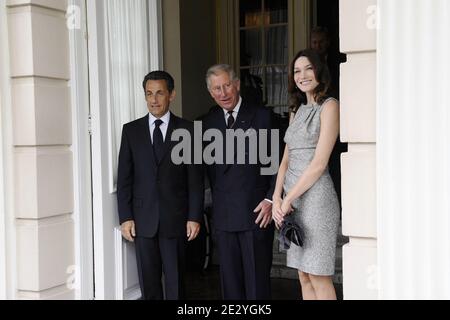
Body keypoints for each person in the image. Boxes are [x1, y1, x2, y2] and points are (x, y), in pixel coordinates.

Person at [117, 71, 204, 300]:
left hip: (175, 220)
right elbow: (125, 179)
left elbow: (195, 179)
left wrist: (194, 217)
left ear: (171, 95)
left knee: (176, 283)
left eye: (159, 93)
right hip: (143, 222)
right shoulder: (131, 131)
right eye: (149, 94)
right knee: (149, 283)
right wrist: (125, 217)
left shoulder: (189, 130)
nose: (153, 100)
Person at [201, 64, 276, 300]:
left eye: (226, 86)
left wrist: (271, 198)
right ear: (211, 93)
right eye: (217, 89)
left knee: (257, 285)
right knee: (230, 286)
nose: (223, 93)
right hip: (223, 217)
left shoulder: (263, 116)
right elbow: (205, 171)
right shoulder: (206, 123)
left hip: (256, 213)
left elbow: (278, 165)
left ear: (237, 85)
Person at [272, 49, 340, 300]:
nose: (301, 75)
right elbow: (286, 160)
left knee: (318, 275)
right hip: (293, 200)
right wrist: (277, 197)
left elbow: (319, 163)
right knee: (303, 275)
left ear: (319, 70)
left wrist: (288, 199)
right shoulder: (296, 110)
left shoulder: (330, 106)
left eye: (308, 68)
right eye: (297, 71)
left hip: (317, 200)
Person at [310, 26, 347, 202]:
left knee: (335, 168)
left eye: (321, 42)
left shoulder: (340, 62)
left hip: (337, 120)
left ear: (328, 42)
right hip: (314, 126)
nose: (318, 46)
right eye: (314, 42)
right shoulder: (307, 66)